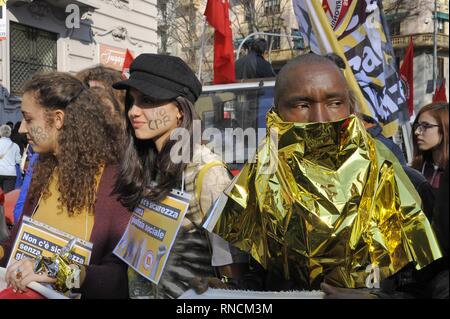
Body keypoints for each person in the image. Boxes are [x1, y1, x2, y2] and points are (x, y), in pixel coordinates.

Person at [200, 53, 443, 298]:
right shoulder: (253, 185)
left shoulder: (400, 182)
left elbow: (428, 285)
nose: (320, 119)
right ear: (276, 112)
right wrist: (230, 293)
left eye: (334, 103)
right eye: (302, 105)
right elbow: (263, 280)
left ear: (349, 107)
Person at [112, 53, 246, 299]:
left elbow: (234, 277)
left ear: (180, 112)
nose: (133, 112)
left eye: (148, 101)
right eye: (132, 101)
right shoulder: (145, 167)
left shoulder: (208, 173)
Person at [0, 72, 131, 299]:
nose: (21, 129)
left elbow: (115, 281)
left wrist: (53, 270)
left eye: (29, 119)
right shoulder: (44, 168)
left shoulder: (112, 180)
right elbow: (15, 248)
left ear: (58, 119)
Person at [412, 102, 449, 190]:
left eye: (425, 126)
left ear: (445, 128)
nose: (417, 132)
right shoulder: (417, 169)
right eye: (417, 126)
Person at [0, 125, 21, 193]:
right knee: (7, 196)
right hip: (10, 173)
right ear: (10, 133)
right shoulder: (15, 146)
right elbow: (18, 160)